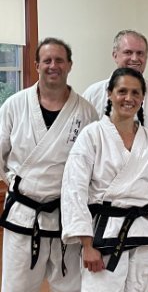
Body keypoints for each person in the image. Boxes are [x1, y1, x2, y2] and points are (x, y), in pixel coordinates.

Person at [61, 68, 148, 292]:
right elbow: (74, 189)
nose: (129, 98)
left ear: (143, 98)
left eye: (136, 93)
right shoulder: (92, 135)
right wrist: (87, 244)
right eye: (122, 91)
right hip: (105, 235)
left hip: (145, 233)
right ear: (110, 93)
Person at [0, 38, 98, 292]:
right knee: (17, 287)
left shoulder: (86, 112)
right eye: (47, 60)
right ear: (36, 65)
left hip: (68, 218)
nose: (53, 65)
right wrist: (13, 180)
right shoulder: (14, 105)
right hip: (24, 215)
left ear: (69, 65)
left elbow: (92, 167)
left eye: (59, 60)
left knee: (71, 288)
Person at [83, 29, 148, 131]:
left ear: (146, 57)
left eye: (140, 53)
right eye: (128, 52)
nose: (134, 58)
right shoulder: (93, 94)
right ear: (115, 55)